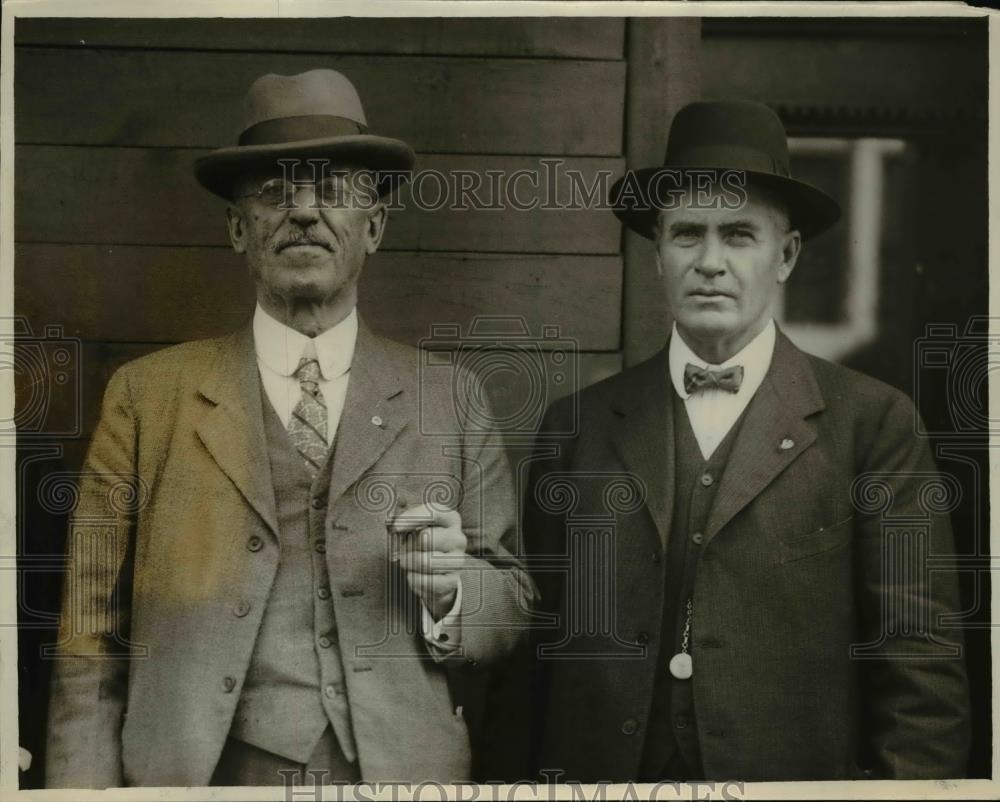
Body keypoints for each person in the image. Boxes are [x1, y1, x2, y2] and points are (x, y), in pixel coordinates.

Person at [45, 69, 534, 788]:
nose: (303, 212)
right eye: (275, 192)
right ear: (239, 229)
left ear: (375, 228)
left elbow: (511, 604)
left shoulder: (451, 400)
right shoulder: (147, 399)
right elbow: (88, 641)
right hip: (200, 775)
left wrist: (450, 590)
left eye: (333, 191)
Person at [518, 100, 970, 781]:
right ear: (657, 256)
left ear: (785, 256)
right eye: (686, 234)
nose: (709, 262)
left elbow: (920, 665)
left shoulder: (871, 424)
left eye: (738, 235)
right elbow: (532, 659)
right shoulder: (575, 426)